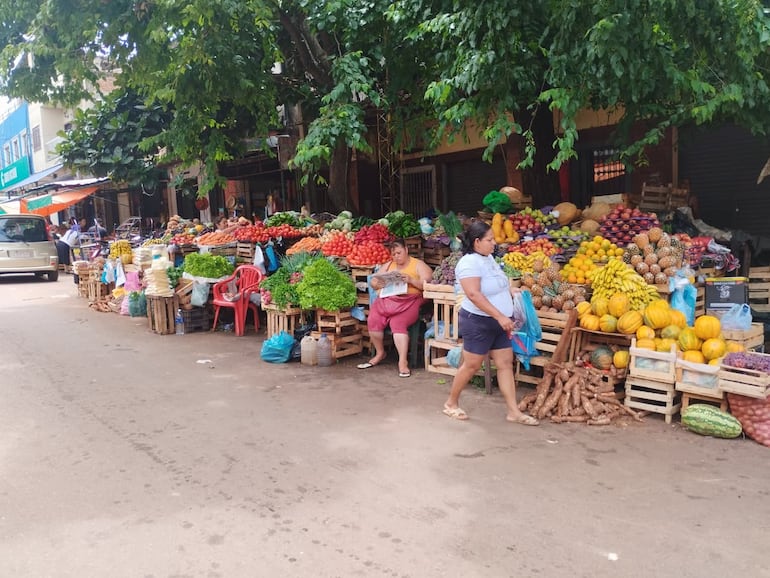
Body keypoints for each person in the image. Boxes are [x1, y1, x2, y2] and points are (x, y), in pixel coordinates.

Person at [442, 221, 539, 425]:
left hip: (500, 323)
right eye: (490, 239)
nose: (494, 243)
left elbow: (494, 285)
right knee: (472, 365)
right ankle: (451, 403)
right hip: (478, 322)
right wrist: (500, 316)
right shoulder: (469, 263)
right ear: (477, 242)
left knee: (505, 364)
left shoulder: (489, 259)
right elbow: (474, 294)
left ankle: (513, 412)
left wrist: (510, 292)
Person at [357, 239, 433, 378]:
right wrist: (378, 282)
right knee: (373, 320)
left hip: (409, 302)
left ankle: (402, 361)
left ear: (406, 250)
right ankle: (380, 352)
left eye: (399, 253)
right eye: (393, 254)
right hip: (387, 300)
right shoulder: (388, 266)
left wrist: (411, 280)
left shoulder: (418, 265)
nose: (396, 257)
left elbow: (428, 284)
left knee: (398, 323)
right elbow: (374, 282)